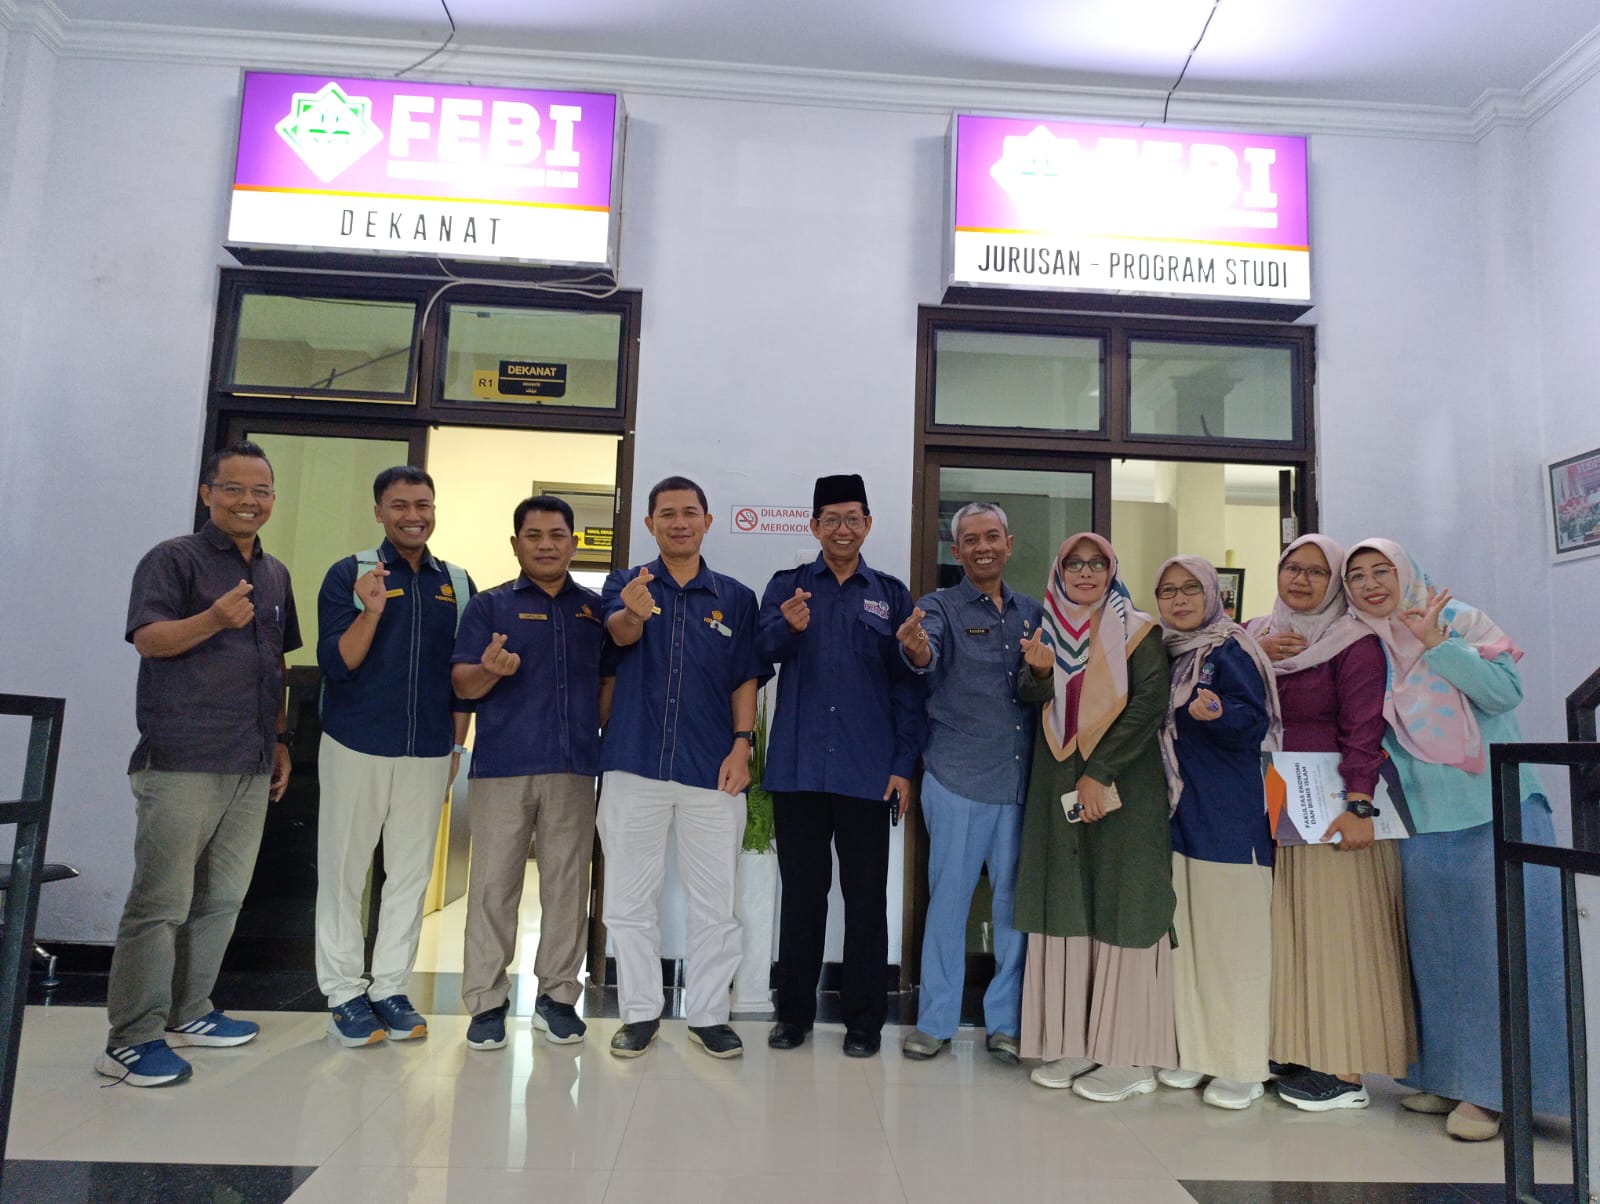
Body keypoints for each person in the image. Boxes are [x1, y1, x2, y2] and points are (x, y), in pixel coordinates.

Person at [1343, 537, 1568, 1140]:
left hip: (1494, 807)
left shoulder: (1456, 619)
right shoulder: (1363, 643)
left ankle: (1499, 1092)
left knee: (1501, 952)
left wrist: (1438, 645)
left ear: (1406, 572)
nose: (1370, 584)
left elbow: (1504, 693)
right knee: (1438, 955)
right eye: (1356, 576)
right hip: (1420, 817)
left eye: (1381, 570)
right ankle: (1448, 1077)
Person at [97, 441, 300, 1087]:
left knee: (222, 898)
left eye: (261, 490)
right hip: (183, 757)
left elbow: (277, 662)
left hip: (250, 759)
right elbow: (149, 640)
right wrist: (212, 619)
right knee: (161, 903)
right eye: (234, 488)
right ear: (208, 493)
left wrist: (280, 739)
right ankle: (131, 1038)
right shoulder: (173, 559)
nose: (249, 501)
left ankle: (190, 1011)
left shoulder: (275, 574)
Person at [1246, 534, 1415, 1111]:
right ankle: (1300, 1049)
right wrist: (1255, 654)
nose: (1301, 580)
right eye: (1292, 567)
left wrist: (1360, 803)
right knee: (1292, 930)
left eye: (1318, 572)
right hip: (1277, 798)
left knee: (1339, 932)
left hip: (1334, 804)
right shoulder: (1257, 633)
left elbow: (1364, 728)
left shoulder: (1354, 642)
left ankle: (1344, 1071)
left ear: (1333, 583)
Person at [759, 473, 925, 1058]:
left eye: (853, 518)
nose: (843, 529)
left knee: (866, 899)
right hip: (799, 770)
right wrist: (786, 627)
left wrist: (902, 766)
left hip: (866, 772)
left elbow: (909, 687)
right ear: (814, 526)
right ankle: (793, 1016)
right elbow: (758, 654)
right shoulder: (787, 587)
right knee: (802, 897)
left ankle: (863, 1022)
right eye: (831, 519)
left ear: (868, 524)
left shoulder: (892, 595)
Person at [598, 476, 764, 1058]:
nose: (679, 522)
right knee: (627, 900)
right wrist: (633, 613)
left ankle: (709, 1015)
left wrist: (742, 746)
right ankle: (640, 1013)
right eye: (666, 514)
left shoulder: (735, 598)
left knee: (715, 902)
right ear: (650, 524)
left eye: (689, 512)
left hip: (712, 768)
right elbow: (617, 635)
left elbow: (745, 676)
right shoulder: (625, 584)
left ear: (707, 522)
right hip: (633, 764)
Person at [314, 466, 473, 1047]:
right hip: (355, 742)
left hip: (428, 749)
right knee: (344, 871)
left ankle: (389, 989)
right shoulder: (350, 573)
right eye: (400, 505)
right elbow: (338, 663)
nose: (413, 515)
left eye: (423, 504)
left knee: (410, 874)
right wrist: (371, 610)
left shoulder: (456, 582)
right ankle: (343, 993)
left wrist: (455, 746)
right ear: (378, 511)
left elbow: (460, 678)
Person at [1014, 533, 1175, 1103]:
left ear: (1112, 570)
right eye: (1075, 564)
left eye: (1097, 563)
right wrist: (1038, 674)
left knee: (1123, 899)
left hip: (1122, 783)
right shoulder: (1047, 628)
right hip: (1060, 779)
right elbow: (1031, 696)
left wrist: (1099, 771)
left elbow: (1147, 706)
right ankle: (1076, 1041)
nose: (1086, 573)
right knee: (1071, 898)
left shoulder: (1139, 631)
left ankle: (1131, 1056)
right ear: (1060, 572)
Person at [451, 496, 614, 1051]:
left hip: (574, 768)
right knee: (493, 886)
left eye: (557, 535)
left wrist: (597, 728)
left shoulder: (593, 610)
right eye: (534, 535)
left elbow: (609, 683)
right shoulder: (488, 607)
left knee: (568, 886)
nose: (546, 545)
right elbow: (462, 684)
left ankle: (558, 998)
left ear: (573, 542)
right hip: (503, 766)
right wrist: (489, 671)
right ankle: (486, 1002)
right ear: (516, 543)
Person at [896, 502, 1040, 1064]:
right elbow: (924, 653)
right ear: (956, 552)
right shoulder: (939, 607)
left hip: (1019, 780)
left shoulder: (1032, 612)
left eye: (992, 537)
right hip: (957, 777)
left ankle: (1006, 1022)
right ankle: (935, 1022)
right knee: (949, 904)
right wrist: (915, 646)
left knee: (1012, 909)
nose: (983, 547)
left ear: (1009, 543)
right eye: (971, 540)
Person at [1151, 555, 1281, 1109]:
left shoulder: (1232, 651)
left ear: (1213, 594)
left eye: (1190, 589)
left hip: (1232, 817)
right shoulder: (1169, 652)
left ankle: (1243, 1063)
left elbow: (1258, 723)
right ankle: (1198, 1052)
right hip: (1184, 815)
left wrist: (1220, 713)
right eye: (1168, 591)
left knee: (1235, 944)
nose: (1179, 600)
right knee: (1191, 942)